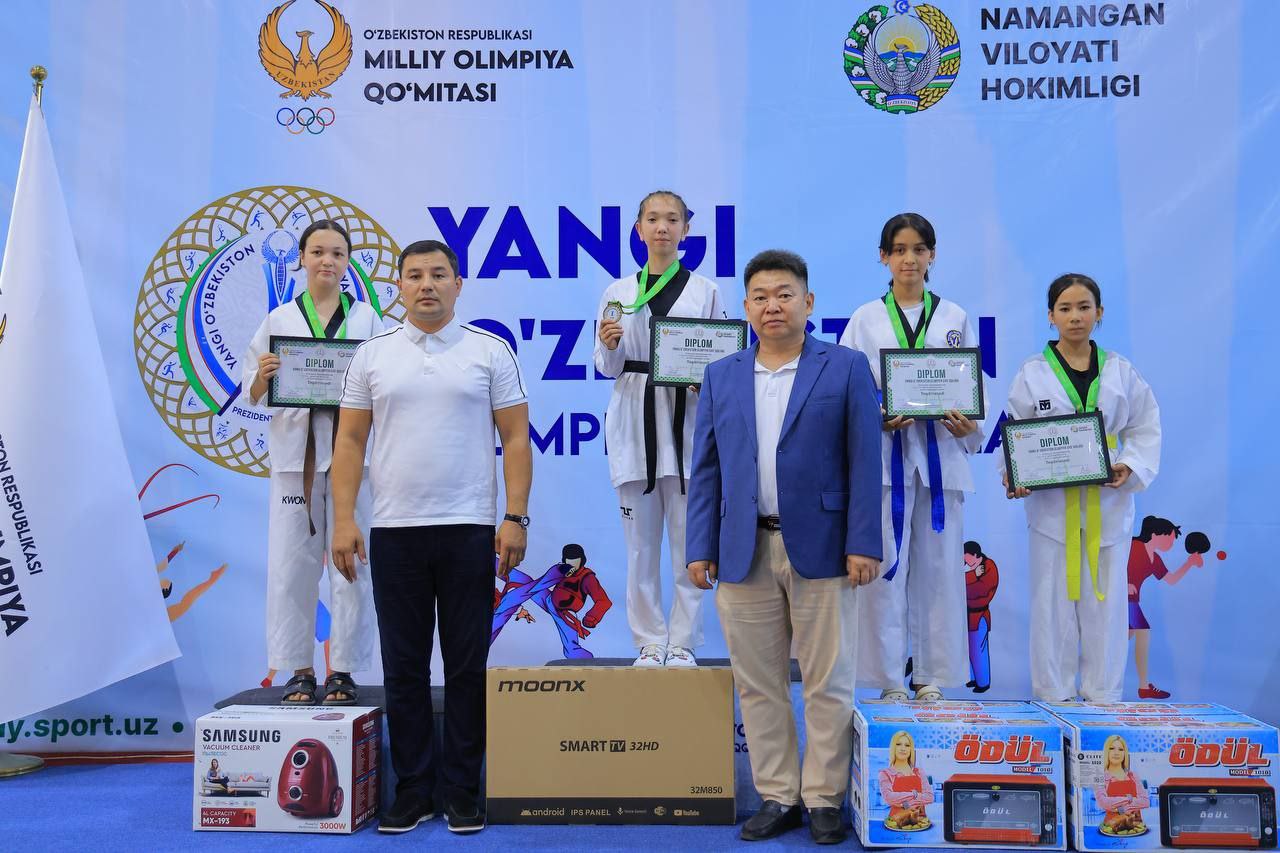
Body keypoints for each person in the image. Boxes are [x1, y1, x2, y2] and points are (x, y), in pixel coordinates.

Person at [331, 239, 532, 834]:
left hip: (470, 529)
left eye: (439, 275)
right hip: (395, 531)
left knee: (468, 665)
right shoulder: (372, 355)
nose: (426, 285)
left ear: (458, 284)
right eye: (415, 275)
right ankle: (415, 789)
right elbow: (350, 442)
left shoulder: (489, 351)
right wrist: (343, 518)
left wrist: (515, 517)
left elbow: (516, 439)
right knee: (404, 667)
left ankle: (462, 789)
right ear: (398, 285)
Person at [686, 249, 881, 844]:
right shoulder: (721, 375)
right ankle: (778, 794)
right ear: (746, 307)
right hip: (742, 547)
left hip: (825, 546)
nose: (773, 305)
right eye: (761, 297)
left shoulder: (845, 367)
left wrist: (864, 541)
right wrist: (699, 545)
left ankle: (823, 797)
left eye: (785, 294)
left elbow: (865, 462)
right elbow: (707, 469)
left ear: (808, 302)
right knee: (758, 681)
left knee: (828, 680)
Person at [839, 213, 983, 702]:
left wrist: (969, 425)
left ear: (932, 255)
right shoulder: (864, 319)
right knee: (885, 571)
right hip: (885, 462)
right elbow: (847, 391)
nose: (909, 259)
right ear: (883, 256)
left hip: (942, 459)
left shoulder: (954, 317)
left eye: (919, 249)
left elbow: (970, 386)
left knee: (940, 571)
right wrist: (875, 417)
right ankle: (888, 680)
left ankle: (931, 676)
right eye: (899, 250)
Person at [241, 219, 383, 706]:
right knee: (291, 566)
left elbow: (385, 384)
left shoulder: (367, 320)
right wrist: (263, 377)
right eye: (318, 251)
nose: (327, 260)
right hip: (293, 459)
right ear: (301, 258)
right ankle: (299, 669)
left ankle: (342, 669)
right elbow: (251, 392)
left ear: (348, 262)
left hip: (354, 459)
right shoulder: (279, 320)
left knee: (352, 564)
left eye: (337, 253)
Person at [1004, 273, 1160, 702]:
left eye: (1084, 307)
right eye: (1066, 308)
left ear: (1099, 313)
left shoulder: (1121, 372)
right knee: (1050, 609)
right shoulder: (1032, 374)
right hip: (1052, 510)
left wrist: (1129, 464)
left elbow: (1145, 427)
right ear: (1050, 316)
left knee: (1106, 609)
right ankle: (1052, 698)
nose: (1075, 316)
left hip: (1107, 506)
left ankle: (1103, 700)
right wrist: (1014, 475)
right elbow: (1014, 430)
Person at [594, 190, 728, 667]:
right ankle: (649, 640)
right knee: (640, 548)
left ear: (686, 229)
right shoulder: (617, 292)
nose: (662, 227)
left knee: (690, 544)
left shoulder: (705, 290)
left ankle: (683, 641)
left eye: (672, 219)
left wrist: (703, 381)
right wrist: (610, 345)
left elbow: (722, 362)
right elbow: (607, 367)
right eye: (653, 219)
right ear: (638, 229)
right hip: (635, 420)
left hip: (688, 422)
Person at [1127, 516, 1202, 699]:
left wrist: (1189, 563)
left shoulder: (1155, 559)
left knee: (1125, 637)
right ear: (1155, 534)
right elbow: (1110, 566)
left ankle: (1138, 685)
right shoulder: (1132, 546)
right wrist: (1123, 584)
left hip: (1131, 600)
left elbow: (1172, 579)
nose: (1172, 543)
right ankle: (1143, 686)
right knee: (1141, 632)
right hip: (1121, 600)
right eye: (1170, 538)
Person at [878, 731, 934, 830]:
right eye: (898, 744)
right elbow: (889, 797)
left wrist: (901, 802)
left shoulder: (919, 772)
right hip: (895, 823)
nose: (903, 748)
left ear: (911, 749)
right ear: (893, 748)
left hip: (920, 822)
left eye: (907, 745)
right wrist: (914, 794)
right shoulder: (885, 774)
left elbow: (929, 797)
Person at [963, 540, 999, 693]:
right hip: (966, 615)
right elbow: (955, 582)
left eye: (968, 559)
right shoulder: (973, 569)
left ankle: (983, 682)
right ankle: (971, 677)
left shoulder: (989, 566)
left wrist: (966, 581)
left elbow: (979, 590)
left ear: (976, 555)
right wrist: (972, 575)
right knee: (967, 650)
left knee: (978, 651)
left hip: (979, 616)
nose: (966, 563)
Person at [1093, 735, 1148, 834]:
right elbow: (1103, 802)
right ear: (1106, 752)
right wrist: (1129, 799)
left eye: (1120, 749)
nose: (1116, 752)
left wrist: (1119, 808)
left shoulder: (1133, 775)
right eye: (1112, 748)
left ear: (1124, 753)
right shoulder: (1099, 776)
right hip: (1111, 829)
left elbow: (1145, 801)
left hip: (1135, 828)